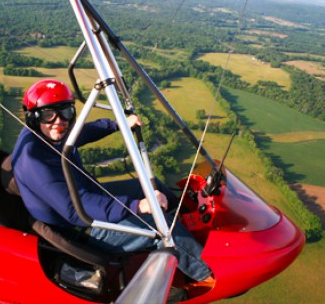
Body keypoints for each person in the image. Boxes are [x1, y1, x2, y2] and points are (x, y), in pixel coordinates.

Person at [11, 79, 212, 283]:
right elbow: (75, 208)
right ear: (33, 118)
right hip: (82, 226)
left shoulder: (50, 133)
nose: (59, 121)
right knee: (162, 227)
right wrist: (137, 206)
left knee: (152, 186)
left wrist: (118, 124)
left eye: (65, 112)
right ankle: (208, 274)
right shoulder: (33, 158)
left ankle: (187, 225)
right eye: (48, 114)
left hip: (89, 198)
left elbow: (79, 133)